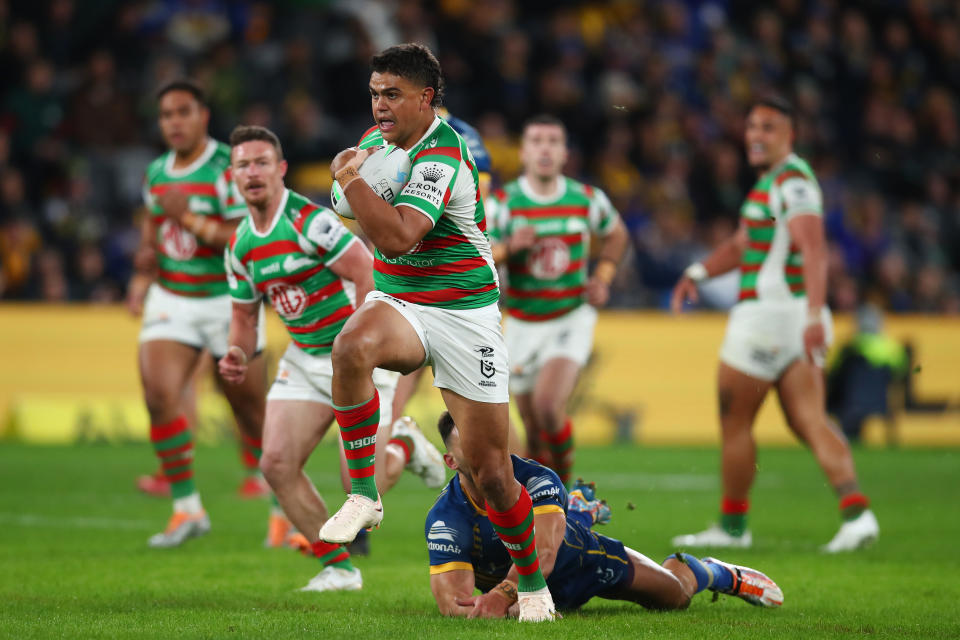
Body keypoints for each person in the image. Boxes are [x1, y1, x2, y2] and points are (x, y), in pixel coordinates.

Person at [321, 43, 556, 621]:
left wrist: (351, 182)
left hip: (464, 312)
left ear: (426, 98)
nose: (379, 105)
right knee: (351, 345)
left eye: (392, 94)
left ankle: (532, 586)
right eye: (375, 93)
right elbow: (355, 212)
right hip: (401, 299)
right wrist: (353, 183)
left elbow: (399, 235)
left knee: (491, 473)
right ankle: (363, 494)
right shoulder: (377, 145)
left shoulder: (444, 152)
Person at [219, 125, 446, 591]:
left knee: (357, 482)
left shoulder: (309, 222)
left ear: (281, 170)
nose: (253, 172)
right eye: (243, 164)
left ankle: (403, 445)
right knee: (275, 465)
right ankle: (339, 568)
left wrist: (359, 344)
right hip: (304, 358)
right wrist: (237, 352)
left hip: (354, 360)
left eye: (262, 162)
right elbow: (244, 316)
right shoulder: (241, 245)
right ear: (233, 177)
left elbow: (366, 271)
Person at [669, 96, 879, 552]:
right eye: (752, 127)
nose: (757, 136)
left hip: (769, 316)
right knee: (809, 419)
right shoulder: (773, 184)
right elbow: (744, 243)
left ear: (791, 135)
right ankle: (857, 513)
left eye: (769, 127)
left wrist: (813, 314)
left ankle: (732, 526)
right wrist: (699, 273)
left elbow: (814, 247)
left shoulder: (792, 183)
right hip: (794, 316)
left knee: (735, 419)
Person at [427, 411, 783, 617]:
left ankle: (709, 571)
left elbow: (545, 553)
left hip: (579, 559)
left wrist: (503, 597)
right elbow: (453, 602)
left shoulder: (537, 479)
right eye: (469, 451)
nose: (483, 457)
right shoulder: (445, 519)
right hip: (523, 589)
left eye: (487, 445)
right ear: (451, 461)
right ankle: (579, 510)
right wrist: (499, 608)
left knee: (674, 597)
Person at [126, 80, 269, 548]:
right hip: (173, 297)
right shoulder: (156, 173)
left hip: (227, 299)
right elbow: (152, 224)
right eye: (166, 114)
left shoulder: (226, 170)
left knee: (249, 408)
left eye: (183, 112)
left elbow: (246, 235)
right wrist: (141, 275)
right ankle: (187, 509)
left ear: (203, 116)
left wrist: (188, 218)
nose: (174, 122)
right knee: (158, 393)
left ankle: (283, 507)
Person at [487, 115, 629, 484]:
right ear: (523, 153)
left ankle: (567, 495)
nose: (545, 148)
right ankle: (543, 503)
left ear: (565, 153)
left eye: (553, 141)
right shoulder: (504, 204)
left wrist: (603, 277)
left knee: (549, 407)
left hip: (570, 317)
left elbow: (616, 235)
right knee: (533, 430)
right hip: (520, 324)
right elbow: (476, 254)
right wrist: (509, 248)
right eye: (537, 141)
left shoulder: (585, 199)